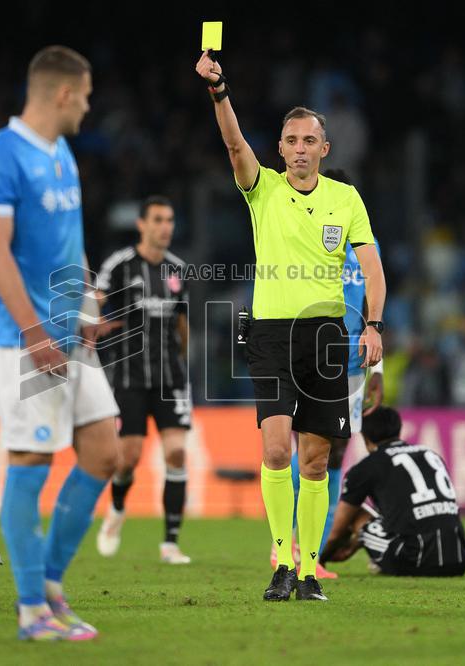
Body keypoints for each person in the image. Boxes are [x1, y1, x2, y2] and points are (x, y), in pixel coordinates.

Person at [195, 50, 386, 602]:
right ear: (279, 149)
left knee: (318, 459)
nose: (300, 150)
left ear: (325, 150)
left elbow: (372, 266)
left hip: (327, 336)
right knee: (277, 449)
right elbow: (233, 143)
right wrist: (219, 91)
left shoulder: (346, 199)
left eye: (310, 141)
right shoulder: (264, 189)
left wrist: (372, 325)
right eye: (292, 141)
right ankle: (282, 559)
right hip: (273, 332)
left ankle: (307, 573)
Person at [0, 45, 119, 641]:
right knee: (30, 459)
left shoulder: (62, 154)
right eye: (84, 96)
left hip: (68, 337)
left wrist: (84, 308)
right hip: (20, 339)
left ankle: (51, 587)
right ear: (63, 93)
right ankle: (31, 609)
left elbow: (70, 245)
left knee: (105, 450)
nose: (87, 107)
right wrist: (33, 330)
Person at [270, 169, 384, 580]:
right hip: (310, 355)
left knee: (333, 452)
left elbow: (374, 302)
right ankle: (287, 544)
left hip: (352, 365)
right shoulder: (305, 240)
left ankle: (313, 551)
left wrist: (377, 368)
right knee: (304, 446)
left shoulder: (365, 247)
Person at [93, 195, 193, 564]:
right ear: (142, 224)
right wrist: (92, 326)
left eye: (169, 220)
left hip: (170, 378)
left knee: (177, 453)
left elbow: (182, 323)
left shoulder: (178, 269)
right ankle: (117, 510)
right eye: (157, 220)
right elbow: (96, 304)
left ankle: (170, 543)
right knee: (127, 459)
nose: (165, 227)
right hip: (129, 377)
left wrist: (183, 365)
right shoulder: (120, 265)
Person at [320, 407, 465, 577]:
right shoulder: (431, 455)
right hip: (459, 559)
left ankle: (317, 562)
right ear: (398, 428)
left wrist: (320, 558)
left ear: (364, 435)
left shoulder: (366, 467)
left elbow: (335, 532)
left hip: (416, 560)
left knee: (357, 514)